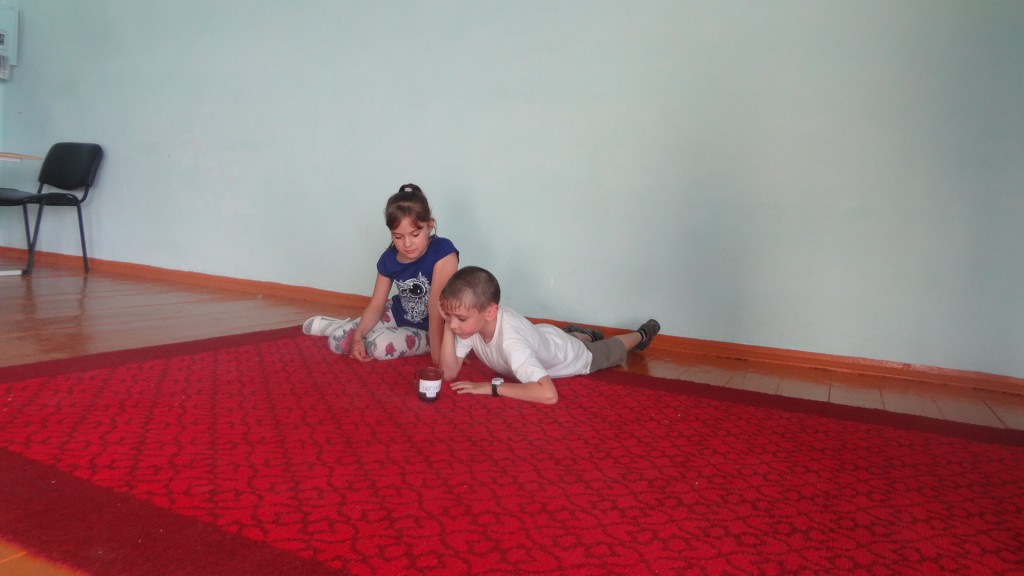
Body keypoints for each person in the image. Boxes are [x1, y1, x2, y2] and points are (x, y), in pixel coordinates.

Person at [438, 266, 659, 404]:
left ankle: (641, 334)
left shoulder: (512, 344)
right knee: (563, 339)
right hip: (544, 336)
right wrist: (448, 324)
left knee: (610, 350)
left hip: (571, 354)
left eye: (460, 319)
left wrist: (491, 387)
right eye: (449, 315)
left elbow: (548, 394)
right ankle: (583, 334)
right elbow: (448, 373)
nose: (454, 324)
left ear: (490, 312)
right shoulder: (469, 323)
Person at [303, 184, 459, 364]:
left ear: (430, 225)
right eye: (398, 237)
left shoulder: (443, 252)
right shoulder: (388, 259)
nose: (407, 244)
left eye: (415, 234)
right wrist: (357, 337)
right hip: (398, 314)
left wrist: (439, 357)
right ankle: (343, 326)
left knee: (378, 346)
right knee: (338, 342)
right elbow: (377, 304)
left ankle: (361, 329)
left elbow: (435, 306)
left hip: (430, 329)